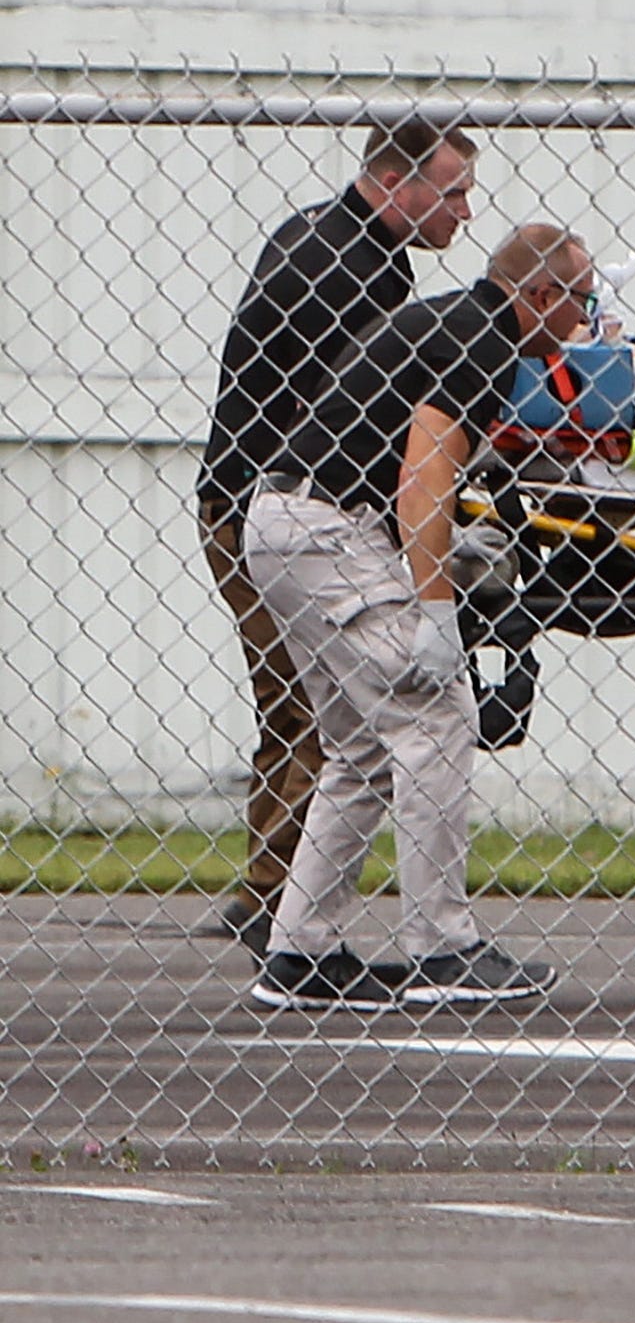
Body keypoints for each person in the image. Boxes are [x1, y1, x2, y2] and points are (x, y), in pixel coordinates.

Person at [238, 221, 597, 1011]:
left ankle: (300, 954)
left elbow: (398, 462)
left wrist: (433, 546)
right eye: (579, 297)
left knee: (361, 747)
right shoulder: (483, 342)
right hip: (328, 528)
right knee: (436, 714)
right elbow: (424, 477)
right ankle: (443, 948)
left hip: (287, 522)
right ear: (537, 294)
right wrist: (435, 608)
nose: (585, 316)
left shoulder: (447, 319)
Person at [196, 122, 478, 953]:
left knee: (309, 700)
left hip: (266, 502)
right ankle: (277, 901)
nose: (465, 210)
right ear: (394, 183)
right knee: (312, 700)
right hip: (267, 505)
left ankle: (275, 896)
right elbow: (349, 413)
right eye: (452, 189)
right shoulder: (343, 271)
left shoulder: (339, 240)